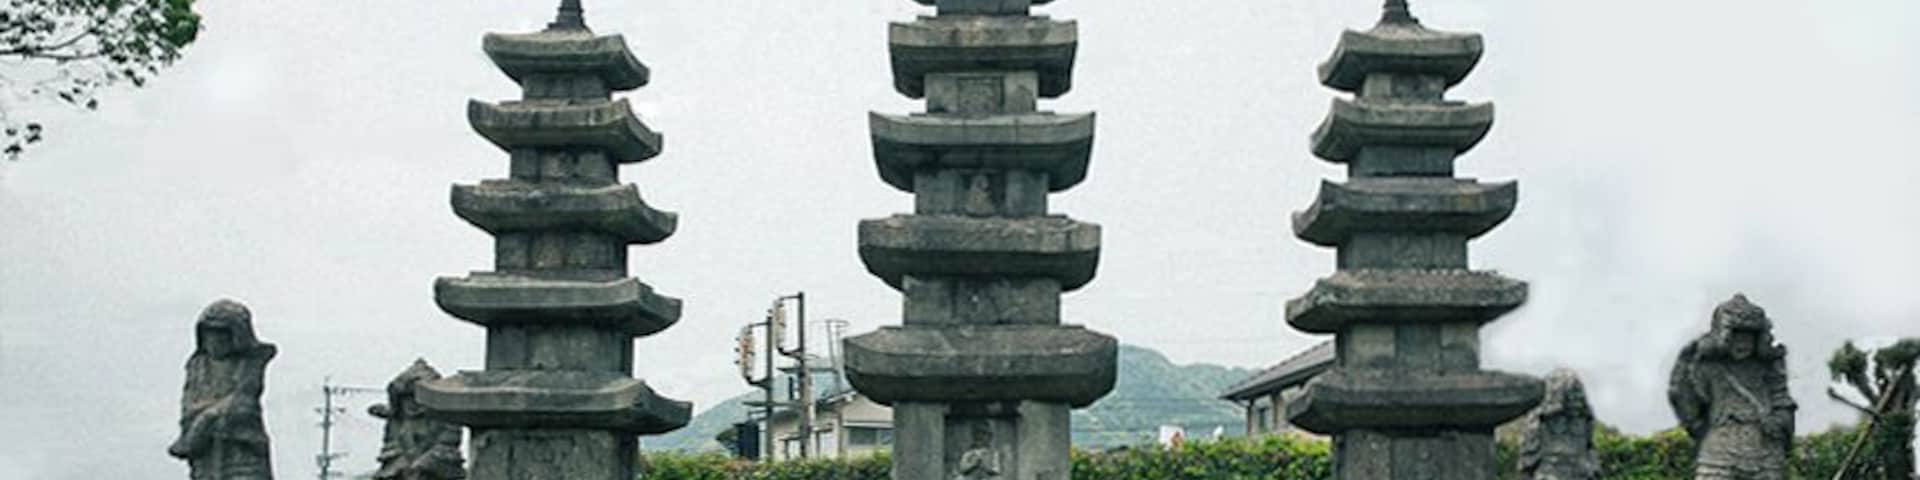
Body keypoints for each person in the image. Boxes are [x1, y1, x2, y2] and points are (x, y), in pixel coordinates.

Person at [1668, 294, 1795, 480]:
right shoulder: (1706, 366)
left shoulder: (1769, 367)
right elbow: (1687, 403)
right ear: (1724, 336)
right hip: (1719, 449)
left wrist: (1779, 420)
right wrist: (1686, 364)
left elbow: (1782, 401)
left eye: (1748, 338)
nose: (1743, 343)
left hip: (1765, 450)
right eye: (1737, 337)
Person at [168, 299, 277, 480]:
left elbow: (244, 403)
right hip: (206, 453)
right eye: (209, 334)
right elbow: (188, 406)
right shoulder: (197, 366)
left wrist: (208, 416)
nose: (214, 341)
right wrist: (199, 421)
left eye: (221, 334)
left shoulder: (250, 362)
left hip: (242, 450)